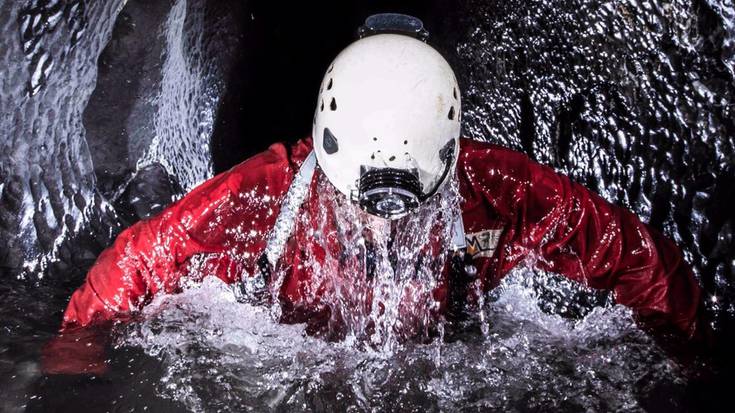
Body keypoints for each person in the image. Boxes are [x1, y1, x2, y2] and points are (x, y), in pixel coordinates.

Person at [59, 14, 703, 346]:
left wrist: (685, 356)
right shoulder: (265, 194)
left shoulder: (495, 189)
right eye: (359, 202)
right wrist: (74, 359)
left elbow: (630, 256)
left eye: (410, 205)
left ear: (446, 163)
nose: (384, 223)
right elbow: (136, 266)